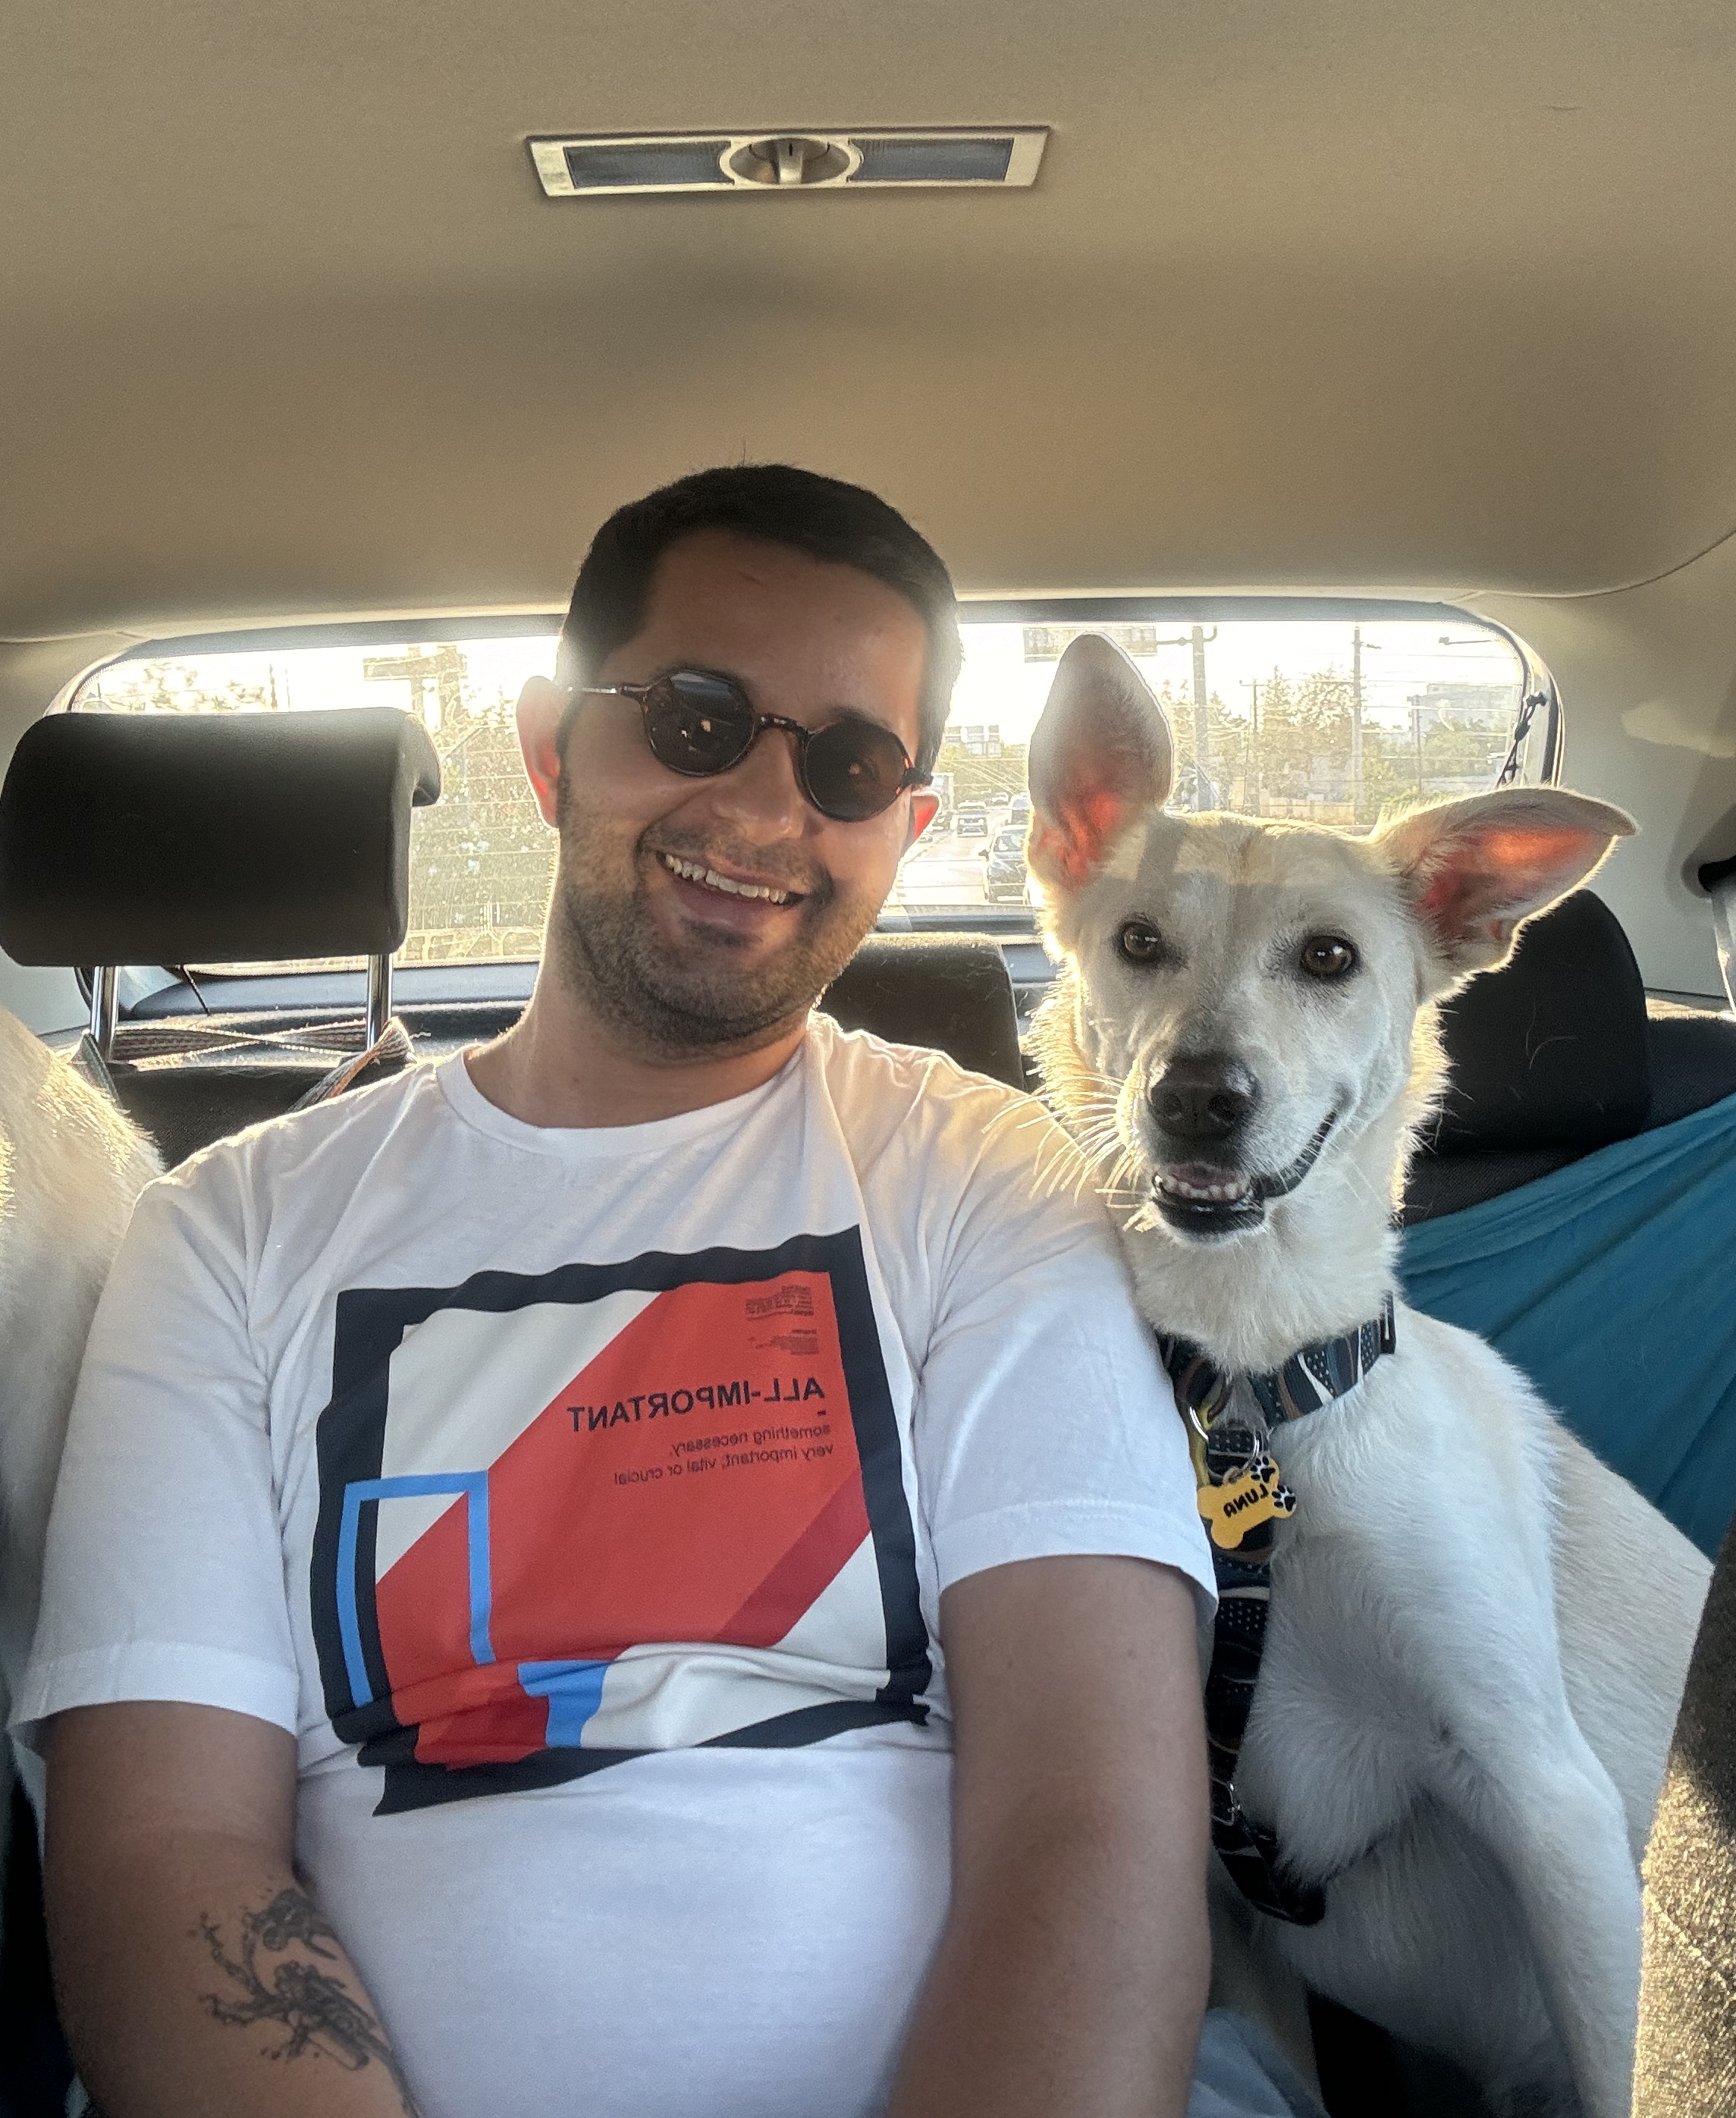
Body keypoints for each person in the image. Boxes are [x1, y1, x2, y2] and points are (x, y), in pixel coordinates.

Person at [17, 466, 1319, 2118]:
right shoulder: (227, 1230)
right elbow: (163, 1849)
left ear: (906, 832)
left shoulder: (980, 1172)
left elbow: (1096, 1812)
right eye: (698, 719)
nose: (769, 811)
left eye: (850, 765)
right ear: (551, 746)